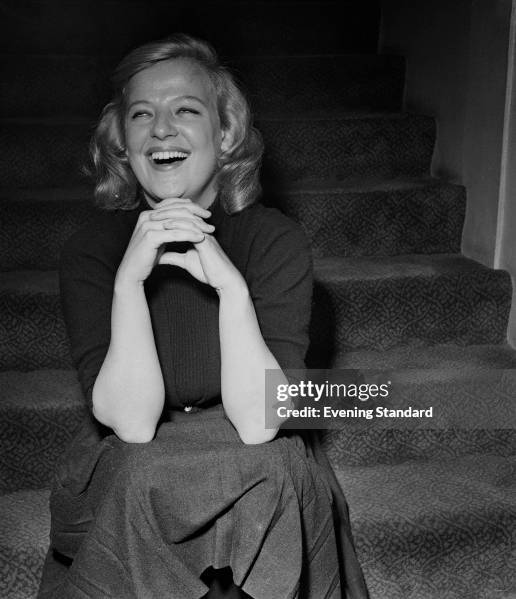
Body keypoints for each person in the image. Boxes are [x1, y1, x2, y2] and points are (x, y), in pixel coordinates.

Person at [38, 34, 368, 599]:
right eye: (140, 114)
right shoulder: (92, 250)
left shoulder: (274, 239)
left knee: (273, 466)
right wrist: (129, 283)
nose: (160, 128)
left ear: (225, 133)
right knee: (141, 476)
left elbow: (260, 422)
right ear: (122, 141)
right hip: (135, 456)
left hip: (249, 445)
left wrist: (232, 290)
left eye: (185, 110)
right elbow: (135, 424)